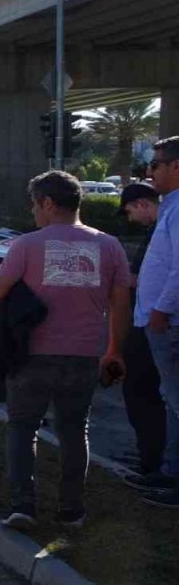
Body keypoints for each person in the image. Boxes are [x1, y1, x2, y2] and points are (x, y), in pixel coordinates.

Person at [0, 171, 130, 530]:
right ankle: (71, 510)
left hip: (32, 354)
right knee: (74, 430)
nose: (33, 212)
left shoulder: (25, 246)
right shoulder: (111, 246)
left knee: (22, 426)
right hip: (84, 355)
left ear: (48, 204)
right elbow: (121, 304)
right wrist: (113, 350)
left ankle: (23, 505)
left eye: (34, 205)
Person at [135, 136, 179, 509]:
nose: (150, 171)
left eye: (157, 164)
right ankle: (168, 471)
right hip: (163, 320)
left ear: (176, 166)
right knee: (171, 400)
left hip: (171, 322)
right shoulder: (171, 206)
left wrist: (161, 311)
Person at [118, 183, 171, 484]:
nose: (129, 219)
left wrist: (119, 275)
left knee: (141, 390)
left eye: (128, 212)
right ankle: (150, 453)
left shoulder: (165, 226)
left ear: (141, 204)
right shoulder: (161, 227)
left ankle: (154, 461)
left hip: (154, 320)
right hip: (150, 317)